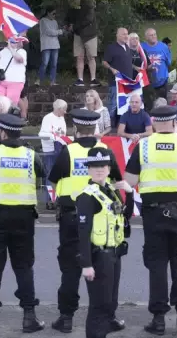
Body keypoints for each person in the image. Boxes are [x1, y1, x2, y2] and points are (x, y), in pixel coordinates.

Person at [122, 106, 177, 335]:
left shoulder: (143, 146)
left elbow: (130, 181)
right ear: (174, 122)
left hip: (153, 213)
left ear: (153, 122)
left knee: (157, 264)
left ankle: (158, 319)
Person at [47, 109, 119, 332]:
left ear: (76, 129)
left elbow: (53, 179)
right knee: (106, 271)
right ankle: (109, 317)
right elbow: (116, 179)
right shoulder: (105, 150)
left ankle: (66, 318)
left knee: (70, 269)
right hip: (102, 220)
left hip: (71, 216)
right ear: (95, 128)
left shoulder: (68, 151)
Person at [0, 114, 46, 334]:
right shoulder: (31, 155)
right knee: (24, 267)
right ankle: (29, 317)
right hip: (24, 218)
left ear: (3, 133)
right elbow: (42, 173)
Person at [75, 147, 134, 338]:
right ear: (88, 169)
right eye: (94, 166)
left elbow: (125, 216)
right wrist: (86, 264)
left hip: (114, 254)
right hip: (98, 256)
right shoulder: (87, 196)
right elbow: (83, 232)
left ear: (109, 168)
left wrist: (130, 193)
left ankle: (105, 330)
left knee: (110, 301)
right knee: (99, 305)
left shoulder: (110, 190)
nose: (99, 170)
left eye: (103, 166)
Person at [103, 28, 135, 120]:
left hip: (127, 82)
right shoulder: (111, 48)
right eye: (123, 34)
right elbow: (104, 62)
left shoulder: (128, 48)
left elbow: (127, 63)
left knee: (125, 105)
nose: (126, 36)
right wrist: (112, 69)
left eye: (127, 34)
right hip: (115, 82)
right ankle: (109, 124)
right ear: (117, 35)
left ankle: (122, 124)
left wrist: (136, 68)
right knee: (113, 105)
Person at [68, 0, 99, 87]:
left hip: (90, 35)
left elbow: (88, 20)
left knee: (91, 57)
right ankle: (80, 79)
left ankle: (93, 79)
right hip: (78, 35)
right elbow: (70, 19)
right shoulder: (73, 8)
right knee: (79, 57)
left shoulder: (89, 7)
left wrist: (74, 27)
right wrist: (69, 25)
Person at [142, 28, 173, 102]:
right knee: (148, 104)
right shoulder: (141, 47)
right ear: (146, 37)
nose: (154, 36)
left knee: (162, 103)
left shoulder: (164, 47)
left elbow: (168, 62)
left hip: (162, 82)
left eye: (155, 34)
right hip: (147, 82)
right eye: (151, 35)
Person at [0, 37, 27, 105]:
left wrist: (10, 48)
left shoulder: (21, 51)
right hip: (0, 80)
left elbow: (19, 59)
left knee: (11, 103)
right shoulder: (3, 51)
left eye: (12, 42)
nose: (10, 43)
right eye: (9, 41)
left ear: (18, 43)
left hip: (15, 81)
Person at [38, 7, 64, 86]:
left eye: (55, 14)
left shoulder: (55, 22)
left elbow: (54, 32)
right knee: (45, 63)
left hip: (55, 45)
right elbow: (49, 32)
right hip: (46, 45)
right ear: (48, 13)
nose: (54, 15)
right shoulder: (43, 21)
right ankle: (39, 80)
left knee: (54, 64)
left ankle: (53, 81)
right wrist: (60, 31)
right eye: (53, 13)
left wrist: (57, 32)